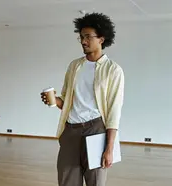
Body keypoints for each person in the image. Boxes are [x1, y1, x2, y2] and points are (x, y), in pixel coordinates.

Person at [40, 12, 124, 186]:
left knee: (96, 182)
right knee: (66, 181)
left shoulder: (113, 70)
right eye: (81, 37)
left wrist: (109, 148)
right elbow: (67, 100)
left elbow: (114, 112)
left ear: (101, 38)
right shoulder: (75, 66)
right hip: (70, 131)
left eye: (88, 37)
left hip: (96, 130)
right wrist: (54, 100)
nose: (84, 41)